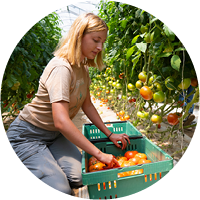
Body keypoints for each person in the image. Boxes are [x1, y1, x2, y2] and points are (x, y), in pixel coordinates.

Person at [6, 13, 130, 195]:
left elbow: (87, 105)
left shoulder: (83, 67)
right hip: (28, 135)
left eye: (102, 42)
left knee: (80, 177)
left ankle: (45, 162)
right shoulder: (61, 68)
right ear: (79, 35)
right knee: (61, 189)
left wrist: (110, 134)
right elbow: (62, 121)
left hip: (54, 135)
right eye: (96, 40)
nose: (100, 47)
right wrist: (100, 154)